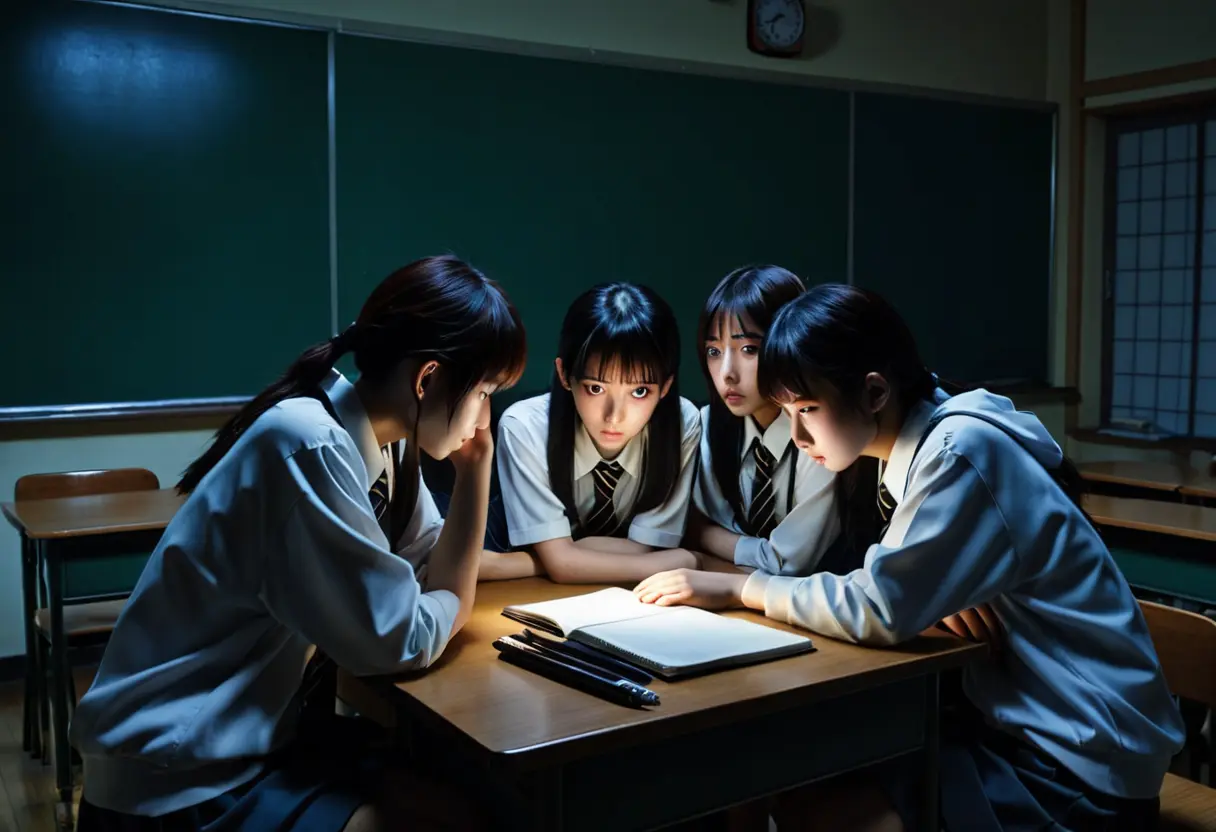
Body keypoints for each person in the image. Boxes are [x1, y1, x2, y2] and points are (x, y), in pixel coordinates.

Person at [635, 284, 1185, 831]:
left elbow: (876, 608)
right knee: (786, 776)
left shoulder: (959, 453)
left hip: (1080, 768)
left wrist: (738, 587)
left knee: (810, 802)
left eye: (807, 408)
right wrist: (930, 594)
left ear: (874, 391)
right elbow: (895, 589)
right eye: (785, 410)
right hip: (1030, 731)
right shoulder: (919, 439)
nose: (797, 434)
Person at [70, 255, 527, 832]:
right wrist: (456, 604)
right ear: (428, 379)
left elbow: (429, 564)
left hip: (246, 736)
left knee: (476, 788)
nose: (485, 417)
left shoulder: (381, 444)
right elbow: (401, 637)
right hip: (177, 775)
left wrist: (476, 469)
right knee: (458, 814)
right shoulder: (309, 445)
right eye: (485, 392)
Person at [496, 282, 702, 584]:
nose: (614, 416)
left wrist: (553, 556)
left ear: (666, 387)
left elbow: (648, 548)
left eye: (640, 391)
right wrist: (685, 560)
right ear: (565, 374)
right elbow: (565, 565)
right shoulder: (525, 427)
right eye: (596, 388)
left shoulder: (682, 423)